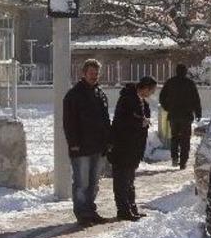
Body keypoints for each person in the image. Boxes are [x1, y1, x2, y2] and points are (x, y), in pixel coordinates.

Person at [63, 59, 111, 227]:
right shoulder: (74, 95)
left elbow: (105, 120)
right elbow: (69, 123)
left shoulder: (100, 93)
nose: (94, 76)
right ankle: (82, 213)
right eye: (91, 73)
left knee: (94, 183)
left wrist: (108, 141)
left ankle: (91, 211)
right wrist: (74, 144)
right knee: (82, 182)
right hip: (81, 148)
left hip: (98, 147)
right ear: (83, 73)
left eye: (96, 73)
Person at [110, 76, 157, 221]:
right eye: (151, 90)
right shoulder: (127, 99)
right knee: (122, 180)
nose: (152, 93)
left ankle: (131, 207)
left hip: (134, 147)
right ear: (145, 88)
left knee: (130, 180)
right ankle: (123, 210)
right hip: (123, 146)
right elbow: (122, 121)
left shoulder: (142, 102)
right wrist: (140, 122)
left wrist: (143, 122)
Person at [159, 64, 201, 169]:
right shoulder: (190, 83)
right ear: (185, 72)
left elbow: (162, 97)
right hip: (186, 116)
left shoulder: (170, 82)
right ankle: (183, 161)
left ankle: (174, 158)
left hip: (173, 115)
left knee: (174, 137)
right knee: (185, 139)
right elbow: (196, 99)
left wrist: (167, 107)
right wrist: (198, 113)